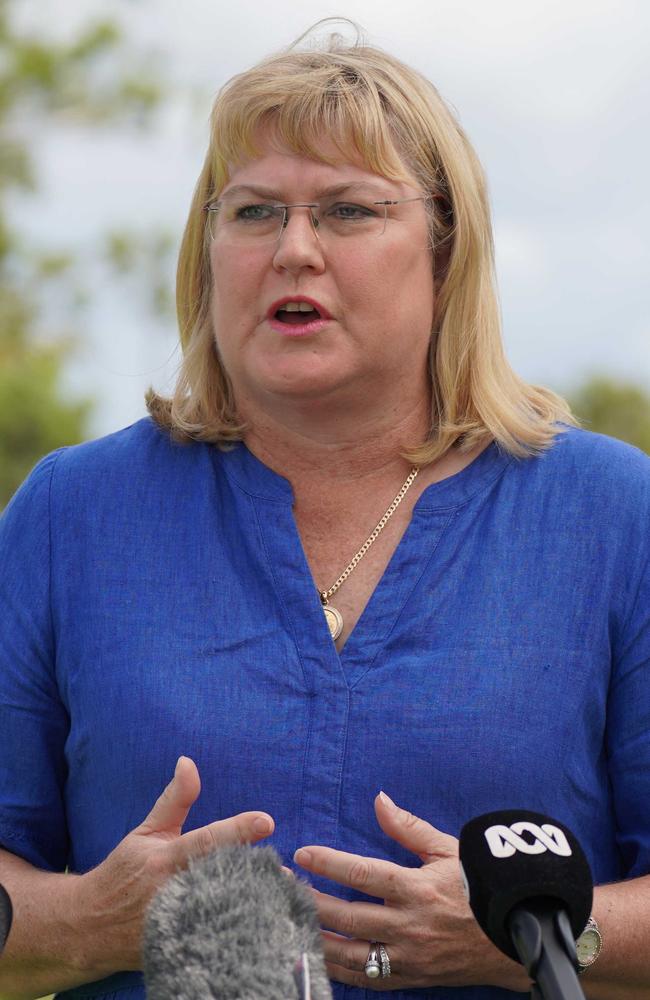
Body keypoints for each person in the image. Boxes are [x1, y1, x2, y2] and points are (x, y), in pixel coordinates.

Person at [0, 20, 649, 1000]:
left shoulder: (610, 517)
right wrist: (91, 922)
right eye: (254, 212)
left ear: (443, 252)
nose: (293, 249)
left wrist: (537, 940)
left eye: (346, 211)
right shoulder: (69, 515)